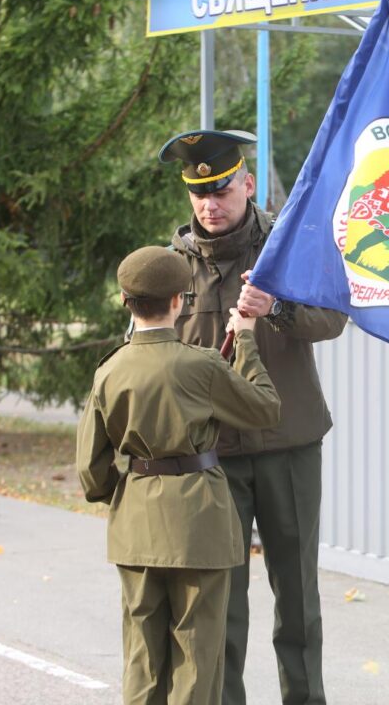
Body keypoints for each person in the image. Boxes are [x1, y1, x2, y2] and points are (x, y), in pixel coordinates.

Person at [159, 128, 348, 705]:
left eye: (221, 191)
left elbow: (333, 317)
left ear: (246, 184)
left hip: (287, 445)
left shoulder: (286, 246)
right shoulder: (171, 264)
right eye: (199, 195)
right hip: (212, 457)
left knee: (296, 599)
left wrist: (278, 308)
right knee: (221, 605)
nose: (210, 206)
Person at [76, 246, 281, 705]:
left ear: (127, 301)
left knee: (143, 659)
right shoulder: (201, 365)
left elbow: (91, 470)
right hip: (199, 525)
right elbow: (265, 409)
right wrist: (244, 338)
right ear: (178, 301)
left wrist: (128, 495)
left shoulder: (109, 371)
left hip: (136, 525)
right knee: (197, 654)